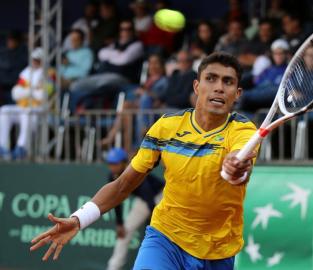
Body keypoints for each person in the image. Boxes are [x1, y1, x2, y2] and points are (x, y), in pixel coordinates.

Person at [30, 52, 258, 270]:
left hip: (219, 251)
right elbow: (123, 184)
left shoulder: (244, 131)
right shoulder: (166, 127)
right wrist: (79, 219)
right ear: (197, 87)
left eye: (227, 82)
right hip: (166, 239)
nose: (219, 87)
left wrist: (236, 169)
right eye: (211, 79)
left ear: (237, 94)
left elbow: (239, 165)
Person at [104, 147, 164, 270]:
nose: (112, 167)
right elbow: (116, 200)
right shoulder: (112, 176)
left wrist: (152, 219)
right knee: (124, 231)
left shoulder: (135, 171)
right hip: (144, 200)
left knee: (162, 234)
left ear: (124, 162)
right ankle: (113, 267)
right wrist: (119, 223)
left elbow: (148, 195)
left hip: (161, 196)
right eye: (110, 163)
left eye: (115, 163)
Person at [0, 48, 49, 160]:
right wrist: (32, 90)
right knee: (4, 110)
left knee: (27, 112)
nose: (35, 62)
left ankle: (22, 147)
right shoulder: (26, 73)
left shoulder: (49, 73)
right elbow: (15, 93)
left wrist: (26, 91)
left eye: (38, 60)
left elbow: (43, 95)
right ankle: (2, 146)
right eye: (33, 59)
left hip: (40, 109)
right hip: (23, 106)